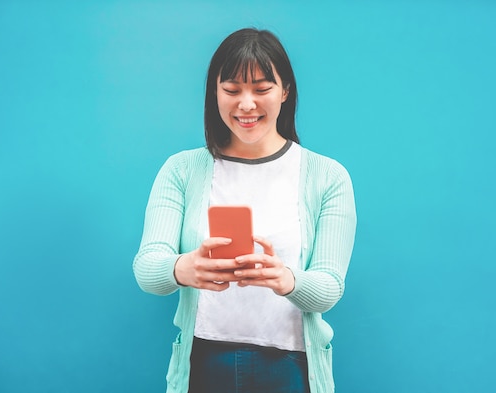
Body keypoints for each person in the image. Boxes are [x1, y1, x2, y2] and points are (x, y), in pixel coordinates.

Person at [133, 28, 356, 393]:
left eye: (262, 89)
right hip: (203, 362)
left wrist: (287, 279)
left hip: (291, 368)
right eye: (232, 90)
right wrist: (182, 267)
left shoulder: (327, 177)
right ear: (214, 94)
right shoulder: (182, 169)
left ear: (285, 91)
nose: (246, 104)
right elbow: (147, 268)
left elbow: (330, 286)